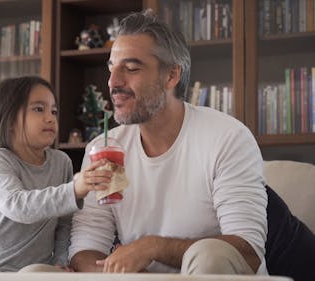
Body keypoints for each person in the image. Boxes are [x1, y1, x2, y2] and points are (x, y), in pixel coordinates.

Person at [68, 10, 268, 275]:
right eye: (111, 68)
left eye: (131, 69)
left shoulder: (227, 138)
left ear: (171, 76)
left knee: (208, 255)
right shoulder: (103, 148)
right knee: (35, 274)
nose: (113, 82)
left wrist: (152, 247)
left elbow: (247, 251)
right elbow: (85, 248)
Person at [0, 76, 112, 272]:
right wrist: (73, 190)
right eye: (39, 109)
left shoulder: (61, 162)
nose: (50, 118)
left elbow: (64, 225)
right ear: (10, 119)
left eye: (54, 111)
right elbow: (18, 206)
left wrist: (60, 262)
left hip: (33, 273)